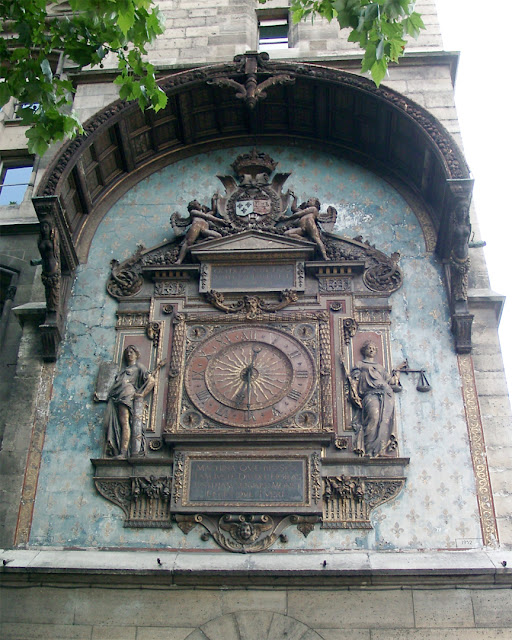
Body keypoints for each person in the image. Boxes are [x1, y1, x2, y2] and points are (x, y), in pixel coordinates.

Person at [346, 340, 404, 458]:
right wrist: (354, 394)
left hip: (386, 395)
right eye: (369, 348)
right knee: (374, 418)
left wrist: (398, 369)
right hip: (370, 394)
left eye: (373, 348)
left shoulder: (380, 368)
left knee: (384, 422)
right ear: (364, 351)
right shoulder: (360, 365)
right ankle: (369, 450)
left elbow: (391, 382)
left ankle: (380, 451)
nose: (371, 350)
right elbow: (355, 381)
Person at [104, 345, 155, 458]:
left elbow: (151, 381)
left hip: (126, 395)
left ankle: (123, 452)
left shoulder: (138, 367)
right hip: (117, 397)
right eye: (127, 352)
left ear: (137, 354)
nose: (129, 354)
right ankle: (121, 449)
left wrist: (142, 394)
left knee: (125, 423)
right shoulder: (124, 370)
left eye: (131, 352)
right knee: (118, 423)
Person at [174, 200, 227, 264]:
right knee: (188, 242)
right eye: (197, 204)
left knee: (218, 236)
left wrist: (213, 200)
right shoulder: (193, 212)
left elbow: (213, 211)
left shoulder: (204, 215)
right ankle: (179, 260)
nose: (200, 204)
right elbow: (207, 216)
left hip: (203, 230)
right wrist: (220, 220)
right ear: (193, 206)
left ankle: (199, 243)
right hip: (196, 227)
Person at [282, 194, 329, 260]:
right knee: (287, 234)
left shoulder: (313, 209)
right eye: (308, 200)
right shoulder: (306, 210)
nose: (308, 201)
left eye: (311, 200)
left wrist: (286, 218)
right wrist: (295, 199)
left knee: (317, 239)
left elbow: (298, 214)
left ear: (316, 204)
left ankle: (325, 256)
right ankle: (308, 241)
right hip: (302, 228)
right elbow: (294, 209)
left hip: (309, 223)